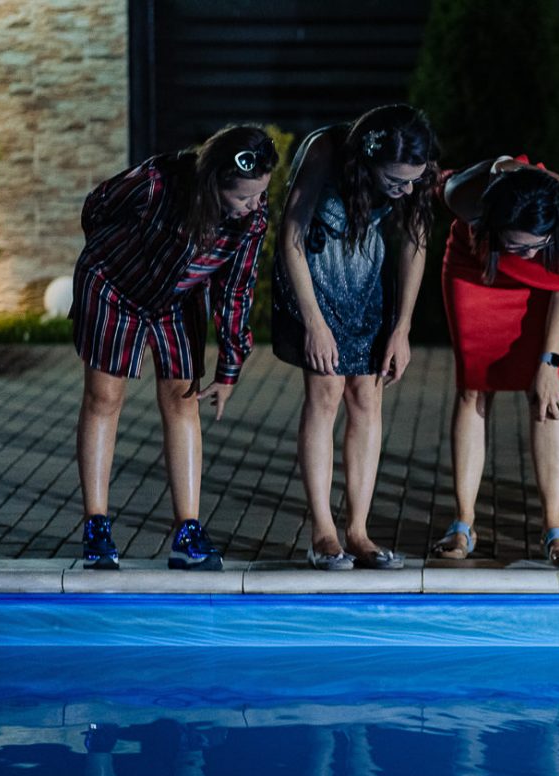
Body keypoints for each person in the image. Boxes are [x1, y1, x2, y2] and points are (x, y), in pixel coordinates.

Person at [73, 125, 277, 571]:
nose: (255, 206)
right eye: (245, 196)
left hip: (176, 299)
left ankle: (187, 530)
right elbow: (97, 206)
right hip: (113, 285)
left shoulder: (251, 222)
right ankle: (96, 526)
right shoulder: (159, 182)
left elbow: (236, 292)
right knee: (105, 396)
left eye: (260, 195)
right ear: (215, 182)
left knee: (183, 398)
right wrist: (124, 256)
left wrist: (229, 367)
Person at [273, 104, 438, 570]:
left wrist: (402, 327)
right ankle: (323, 532)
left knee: (367, 395)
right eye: (394, 182)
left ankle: (359, 530)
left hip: (364, 271)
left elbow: (414, 243)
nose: (405, 190)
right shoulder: (325, 150)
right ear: (367, 161)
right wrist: (314, 323)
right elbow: (291, 235)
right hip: (312, 271)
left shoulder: (417, 174)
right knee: (325, 391)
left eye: (412, 181)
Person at [433, 156, 559, 568]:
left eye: (529, 246)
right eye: (514, 243)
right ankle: (464, 519)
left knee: (549, 392)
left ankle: (554, 523)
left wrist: (547, 362)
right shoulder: (466, 198)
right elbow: (442, 186)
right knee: (472, 388)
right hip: (476, 273)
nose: (521, 253)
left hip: (549, 288)